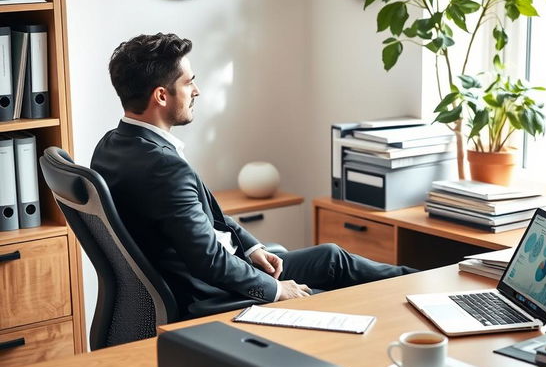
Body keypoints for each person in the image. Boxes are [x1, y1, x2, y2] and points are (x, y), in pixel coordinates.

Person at [92, 33, 416, 318]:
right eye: (189, 82)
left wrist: (250, 246)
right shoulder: (163, 167)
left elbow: (203, 217)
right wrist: (277, 291)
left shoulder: (113, 145)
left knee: (331, 257)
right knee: (340, 304)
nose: (197, 91)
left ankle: (424, 281)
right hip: (209, 293)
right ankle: (427, 290)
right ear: (162, 96)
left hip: (212, 273)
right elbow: (209, 261)